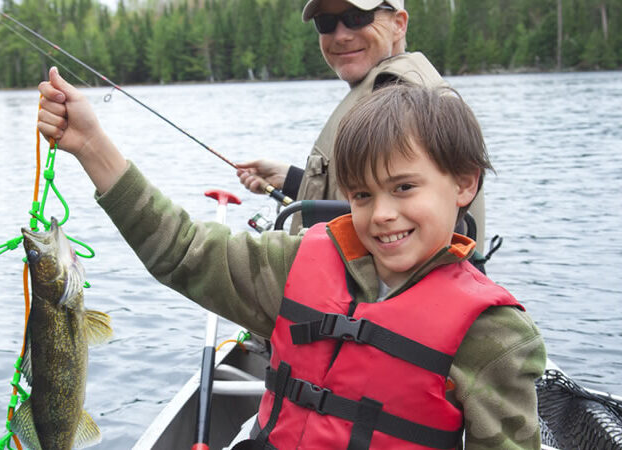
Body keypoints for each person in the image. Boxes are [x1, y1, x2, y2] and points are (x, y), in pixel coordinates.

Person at [37, 67, 546, 448]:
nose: (382, 215)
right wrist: (91, 146)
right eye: (362, 196)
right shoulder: (298, 261)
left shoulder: (494, 335)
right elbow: (183, 250)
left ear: (463, 183)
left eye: (404, 187)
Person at [236, 0, 486, 251]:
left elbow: (394, 221)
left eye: (357, 18)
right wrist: (291, 179)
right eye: (327, 23)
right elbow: (374, 195)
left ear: (399, 24)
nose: (341, 35)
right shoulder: (385, 91)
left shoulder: (402, 102)